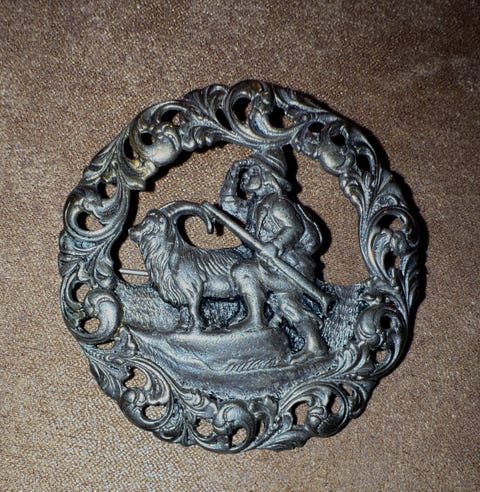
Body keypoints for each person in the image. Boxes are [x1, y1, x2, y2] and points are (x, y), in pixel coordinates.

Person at [219, 151, 327, 357]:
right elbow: (228, 204)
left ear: (267, 175)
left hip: (291, 269)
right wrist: (232, 175)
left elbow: (294, 228)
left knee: (245, 271)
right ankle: (316, 346)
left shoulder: (278, 203)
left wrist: (275, 246)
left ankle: (255, 321)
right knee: (288, 305)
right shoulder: (255, 205)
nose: (246, 177)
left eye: (253, 172)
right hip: (273, 268)